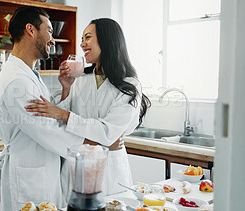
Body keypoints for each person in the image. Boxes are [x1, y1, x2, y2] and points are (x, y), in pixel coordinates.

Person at [25, 18, 151, 195]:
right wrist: (66, 88)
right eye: (82, 39)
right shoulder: (80, 78)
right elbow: (62, 126)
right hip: (78, 164)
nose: (82, 44)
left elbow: (107, 133)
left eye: (88, 38)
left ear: (107, 40)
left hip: (110, 170)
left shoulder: (129, 84)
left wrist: (64, 115)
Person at [0, 6, 86, 210]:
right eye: (50, 31)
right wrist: (89, 142)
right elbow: (47, 129)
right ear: (31, 30)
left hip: (39, 170)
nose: (53, 39)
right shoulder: (17, 81)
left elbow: (47, 114)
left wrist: (65, 88)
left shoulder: (27, 73)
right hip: (30, 178)